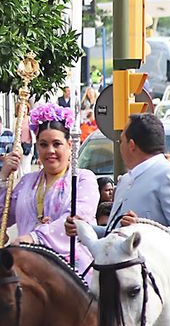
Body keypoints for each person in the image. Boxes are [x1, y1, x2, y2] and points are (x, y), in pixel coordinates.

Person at [2, 104, 99, 277]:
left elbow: (76, 219)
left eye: (57, 144)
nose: (50, 151)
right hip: (28, 271)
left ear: (69, 146)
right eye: (44, 144)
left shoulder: (83, 179)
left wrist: (34, 238)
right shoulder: (27, 182)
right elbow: (3, 219)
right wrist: (3, 177)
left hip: (72, 274)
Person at [104, 112, 170, 248]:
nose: (120, 147)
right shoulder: (126, 180)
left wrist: (142, 230)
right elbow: (113, 232)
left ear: (131, 145)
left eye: (121, 141)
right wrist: (83, 229)